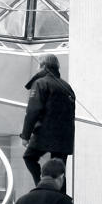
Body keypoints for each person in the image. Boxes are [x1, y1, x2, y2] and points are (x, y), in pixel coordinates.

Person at [20, 54, 75, 183]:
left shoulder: (41, 83)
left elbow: (33, 110)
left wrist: (25, 135)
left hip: (45, 133)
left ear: (43, 66)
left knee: (29, 157)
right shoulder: (67, 87)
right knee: (59, 170)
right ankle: (59, 196)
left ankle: (41, 184)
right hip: (65, 137)